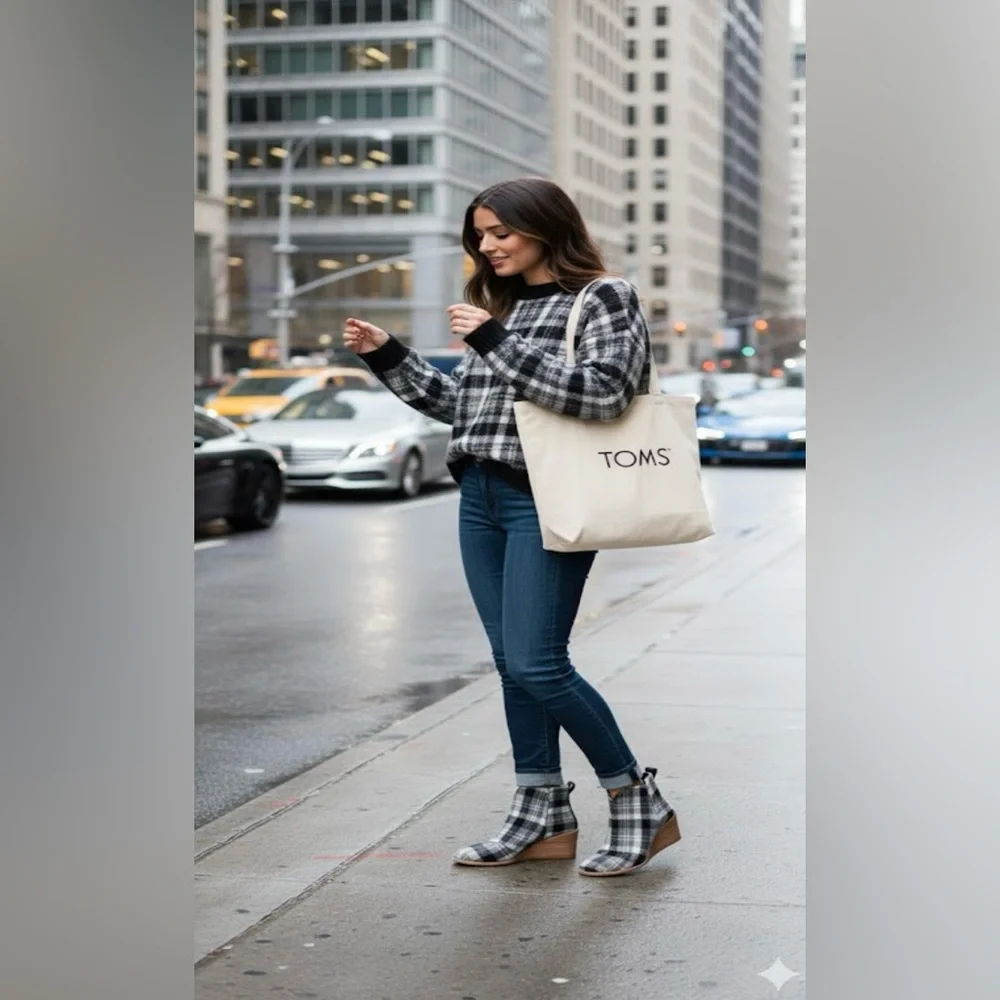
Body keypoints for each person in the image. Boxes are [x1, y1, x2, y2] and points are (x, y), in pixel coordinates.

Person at [343, 177, 680, 877]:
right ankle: (542, 809)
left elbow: (602, 394)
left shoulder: (601, 298)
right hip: (482, 496)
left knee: (538, 663)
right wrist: (388, 355)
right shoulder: (501, 305)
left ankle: (633, 798)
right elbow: (465, 410)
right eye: (480, 236)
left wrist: (497, 341)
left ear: (545, 228)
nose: (488, 247)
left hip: (548, 498)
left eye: (501, 233)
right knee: (512, 665)